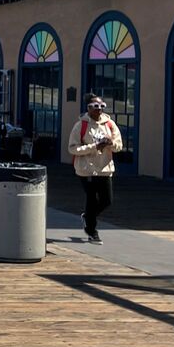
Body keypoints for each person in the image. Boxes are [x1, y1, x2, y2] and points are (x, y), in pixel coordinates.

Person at [66, 93, 123, 244]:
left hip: (104, 168)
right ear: (88, 108)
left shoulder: (109, 124)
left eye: (101, 107)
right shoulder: (81, 125)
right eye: (95, 107)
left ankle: (88, 217)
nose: (99, 110)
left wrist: (110, 143)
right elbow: (72, 149)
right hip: (87, 170)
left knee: (106, 200)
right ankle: (92, 231)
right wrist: (94, 147)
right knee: (91, 199)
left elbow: (119, 146)